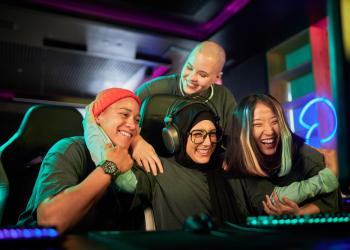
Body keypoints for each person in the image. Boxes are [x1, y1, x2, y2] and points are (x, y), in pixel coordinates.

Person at [83, 41, 236, 176]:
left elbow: (235, 139)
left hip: (203, 173)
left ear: (217, 77)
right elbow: (120, 120)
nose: (191, 78)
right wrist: (136, 141)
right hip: (157, 170)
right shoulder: (153, 89)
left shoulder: (224, 97)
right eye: (189, 68)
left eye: (202, 75)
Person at [17, 88, 142, 234]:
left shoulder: (130, 162)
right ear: (98, 117)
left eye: (137, 120)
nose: (132, 125)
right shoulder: (69, 149)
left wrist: (139, 142)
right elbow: (51, 221)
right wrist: (110, 166)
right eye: (124, 114)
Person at [224, 94, 341, 216]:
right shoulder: (235, 162)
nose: (270, 131)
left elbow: (331, 204)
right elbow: (271, 200)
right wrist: (325, 179)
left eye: (275, 122)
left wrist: (300, 213)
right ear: (242, 130)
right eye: (257, 124)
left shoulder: (307, 158)